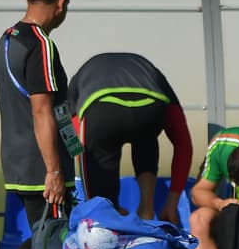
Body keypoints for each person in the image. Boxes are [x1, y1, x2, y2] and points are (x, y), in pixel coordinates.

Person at [0, 0, 78, 249]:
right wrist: (54, 171)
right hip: (42, 169)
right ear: (62, 3)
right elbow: (41, 111)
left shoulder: (7, 38)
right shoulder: (40, 44)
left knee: (40, 242)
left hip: (18, 165)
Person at [69, 52, 193, 223]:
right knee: (147, 137)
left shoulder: (78, 79)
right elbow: (183, 143)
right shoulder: (152, 73)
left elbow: (74, 140)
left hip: (102, 110)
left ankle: (107, 217)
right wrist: (172, 203)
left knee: (99, 158)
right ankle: (147, 210)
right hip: (150, 108)